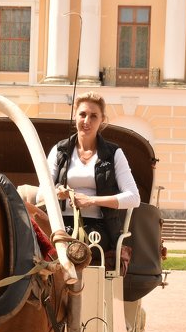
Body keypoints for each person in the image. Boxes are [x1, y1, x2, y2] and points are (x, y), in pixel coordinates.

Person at [45, 92, 139, 262]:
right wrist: (57, 191)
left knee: (76, 248)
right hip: (60, 224)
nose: (86, 121)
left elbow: (134, 198)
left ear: (102, 119)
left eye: (93, 116)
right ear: (75, 117)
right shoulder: (59, 151)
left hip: (99, 227)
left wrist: (91, 201)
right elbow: (41, 193)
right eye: (82, 114)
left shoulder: (114, 153)